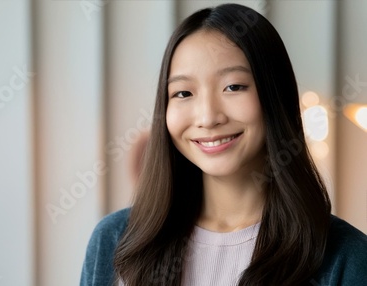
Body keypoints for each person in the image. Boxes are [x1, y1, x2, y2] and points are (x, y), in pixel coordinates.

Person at [80, 3, 367, 286]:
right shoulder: (116, 241)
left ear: (274, 95)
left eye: (233, 86)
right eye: (183, 93)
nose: (207, 117)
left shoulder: (345, 257)